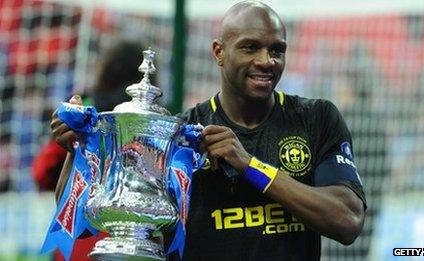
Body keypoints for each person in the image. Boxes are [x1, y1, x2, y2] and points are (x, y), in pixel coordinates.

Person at [51, 1, 366, 260]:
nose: (266, 61)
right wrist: (77, 150)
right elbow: (83, 226)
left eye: (277, 50)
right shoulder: (178, 137)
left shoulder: (316, 118)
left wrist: (250, 166)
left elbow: (347, 220)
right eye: (250, 48)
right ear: (219, 52)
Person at [35, 39, 146, 261]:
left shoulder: (82, 114)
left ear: (105, 73)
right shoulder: (152, 122)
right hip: (136, 245)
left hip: (80, 241)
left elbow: (41, 173)